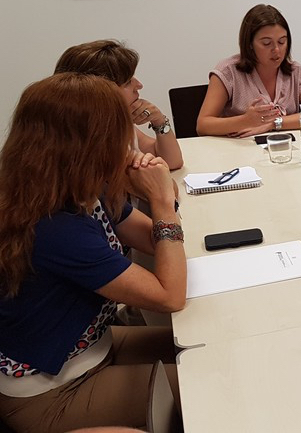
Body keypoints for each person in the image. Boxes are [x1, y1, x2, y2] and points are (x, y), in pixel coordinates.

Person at [0, 73, 185, 432]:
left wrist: (151, 189)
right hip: (52, 391)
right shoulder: (54, 227)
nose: (127, 142)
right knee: (209, 383)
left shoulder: (78, 190)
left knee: (214, 352)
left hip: (95, 349)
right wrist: (162, 201)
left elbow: (156, 242)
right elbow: (170, 294)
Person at [197, 4, 301, 137]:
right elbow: (203, 125)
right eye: (267, 43)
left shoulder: (295, 72)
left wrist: (274, 123)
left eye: (282, 42)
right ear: (250, 44)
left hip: (284, 145)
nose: (276, 50)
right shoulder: (228, 72)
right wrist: (245, 121)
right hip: (239, 146)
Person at [55, 40, 183, 170]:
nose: (139, 85)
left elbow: (172, 162)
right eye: (127, 82)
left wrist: (159, 121)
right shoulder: (79, 140)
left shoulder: (117, 123)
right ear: (97, 91)